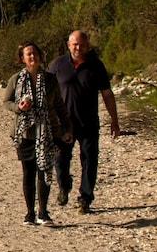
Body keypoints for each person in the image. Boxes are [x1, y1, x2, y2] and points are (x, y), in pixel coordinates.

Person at [49, 28, 121, 213]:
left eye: (81, 44)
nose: (78, 47)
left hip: (88, 122)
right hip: (64, 124)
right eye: (74, 44)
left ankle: (86, 198)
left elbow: (107, 94)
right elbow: (46, 92)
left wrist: (114, 120)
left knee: (89, 160)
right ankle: (64, 186)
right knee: (60, 160)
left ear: (87, 46)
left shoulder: (96, 66)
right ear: (68, 45)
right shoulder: (57, 65)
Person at [4, 42, 66, 225]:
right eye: (28, 54)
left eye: (35, 53)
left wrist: (66, 127)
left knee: (44, 170)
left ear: (39, 56)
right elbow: (6, 102)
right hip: (24, 134)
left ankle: (43, 213)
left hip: (46, 132)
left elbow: (59, 105)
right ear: (22, 58)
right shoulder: (15, 79)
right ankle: (30, 213)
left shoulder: (50, 79)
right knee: (28, 173)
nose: (32, 57)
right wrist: (19, 107)